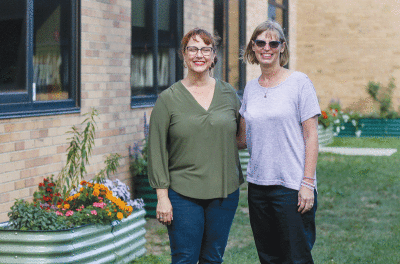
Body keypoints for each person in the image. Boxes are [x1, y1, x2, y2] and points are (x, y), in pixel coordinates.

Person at [147, 28, 244, 264]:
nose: (199, 55)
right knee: (185, 259)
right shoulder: (168, 99)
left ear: (213, 56)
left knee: (212, 258)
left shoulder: (229, 94)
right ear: (183, 55)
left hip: (224, 192)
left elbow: (241, 138)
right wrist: (162, 197)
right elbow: (156, 150)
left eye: (205, 49)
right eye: (192, 49)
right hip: (183, 194)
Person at [238, 20, 321, 264]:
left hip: (292, 186)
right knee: (268, 257)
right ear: (253, 47)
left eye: (273, 43)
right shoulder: (250, 89)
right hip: (258, 186)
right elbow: (242, 139)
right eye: (260, 42)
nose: (267, 48)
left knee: (296, 258)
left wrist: (307, 183)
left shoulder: (299, 83)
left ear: (282, 47)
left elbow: (311, 136)